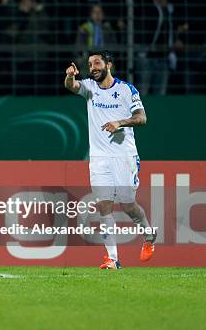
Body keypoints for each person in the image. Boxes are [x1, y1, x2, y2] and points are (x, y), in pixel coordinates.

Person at [64, 50, 156, 270]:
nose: (93, 67)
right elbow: (71, 86)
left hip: (124, 156)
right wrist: (70, 76)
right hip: (99, 158)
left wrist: (120, 123)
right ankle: (113, 259)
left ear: (109, 65)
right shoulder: (90, 88)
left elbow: (142, 118)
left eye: (97, 63)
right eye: (90, 64)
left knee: (127, 205)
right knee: (104, 206)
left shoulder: (126, 90)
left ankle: (149, 233)